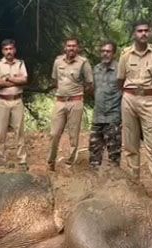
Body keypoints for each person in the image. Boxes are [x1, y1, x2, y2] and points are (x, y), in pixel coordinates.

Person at [116, 20, 152, 183]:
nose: (143, 34)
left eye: (146, 31)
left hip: (149, 100)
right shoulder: (125, 54)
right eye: (140, 31)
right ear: (134, 34)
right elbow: (120, 79)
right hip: (129, 99)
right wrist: (129, 94)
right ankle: (134, 182)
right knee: (130, 144)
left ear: (150, 33)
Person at [48, 37, 93, 171]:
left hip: (76, 102)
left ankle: (69, 163)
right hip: (60, 102)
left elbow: (90, 83)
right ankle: (51, 162)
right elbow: (56, 81)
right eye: (69, 46)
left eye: (74, 46)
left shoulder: (83, 63)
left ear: (78, 48)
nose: (71, 48)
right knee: (54, 133)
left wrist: (78, 94)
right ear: (65, 47)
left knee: (73, 135)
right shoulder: (58, 61)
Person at [0, 39, 29, 167]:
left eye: (11, 49)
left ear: (15, 50)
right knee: (2, 131)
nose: (9, 51)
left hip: (17, 100)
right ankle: (1, 158)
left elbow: (24, 79)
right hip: (2, 101)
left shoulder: (20, 63)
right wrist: (15, 81)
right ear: (3, 51)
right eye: (6, 49)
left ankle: (22, 159)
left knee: (19, 131)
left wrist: (7, 78)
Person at [89, 41, 122, 168]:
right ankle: (95, 183)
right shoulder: (96, 69)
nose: (105, 54)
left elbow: (124, 91)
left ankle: (113, 184)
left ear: (113, 53)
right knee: (94, 152)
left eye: (108, 51)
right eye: (103, 51)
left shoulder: (120, 70)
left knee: (114, 154)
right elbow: (93, 90)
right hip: (97, 117)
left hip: (113, 118)